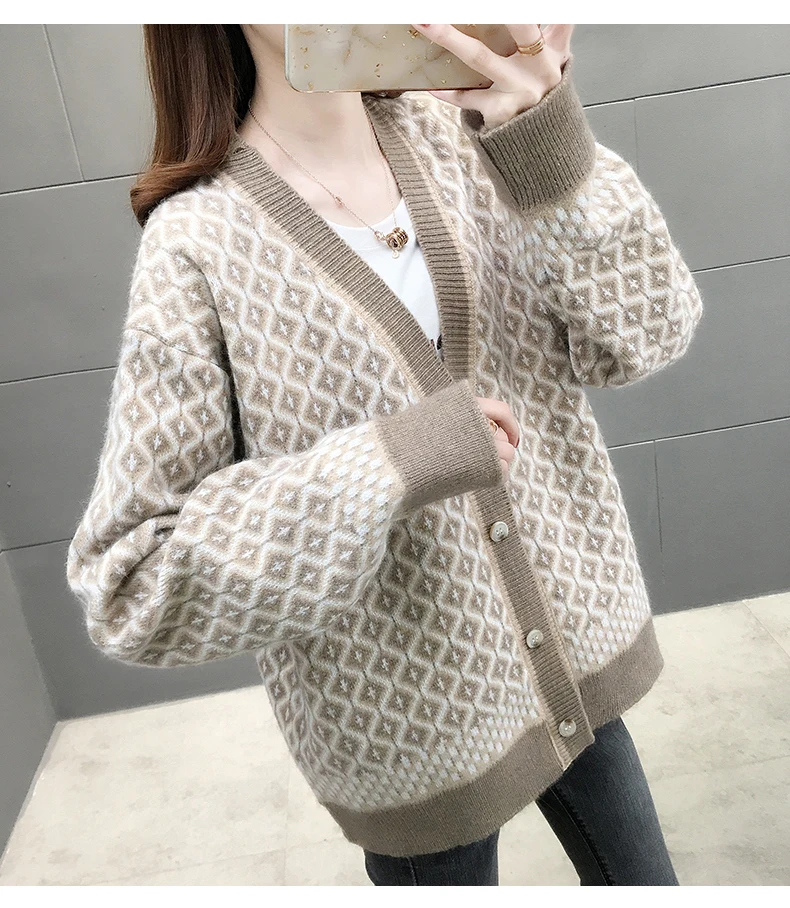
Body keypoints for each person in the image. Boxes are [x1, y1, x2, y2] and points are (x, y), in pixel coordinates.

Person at [66, 24, 702, 885]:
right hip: (415, 744)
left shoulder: (471, 136)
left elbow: (647, 335)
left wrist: (549, 145)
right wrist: (390, 463)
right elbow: (131, 584)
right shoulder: (196, 244)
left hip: (576, 666)